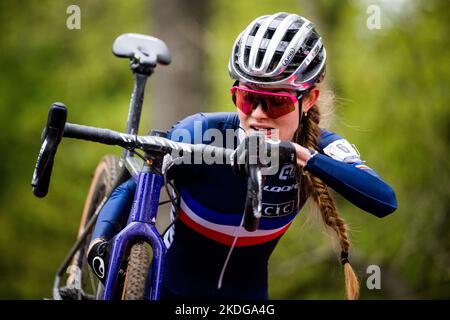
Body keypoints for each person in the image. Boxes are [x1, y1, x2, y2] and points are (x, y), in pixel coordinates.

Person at [87, 12, 397, 300]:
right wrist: (100, 244)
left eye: (276, 103)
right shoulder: (202, 132)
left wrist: (304, 157)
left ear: (309, 99)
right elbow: (138, 185)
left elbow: (384, 200)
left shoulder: (319, 147)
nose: (258, 116)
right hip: (167, 289)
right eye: (248, 99)